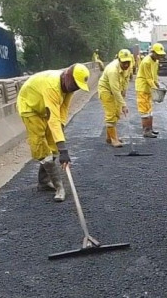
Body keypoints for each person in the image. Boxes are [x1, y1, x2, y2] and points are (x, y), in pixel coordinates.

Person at [17, 64, 90, 202]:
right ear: (68, 76)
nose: (75, 88)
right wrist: (64, 150)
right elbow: (53, 119)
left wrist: (60, 138)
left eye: (77, 86)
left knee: (53, 145)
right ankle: (59, 187)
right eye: (74, 84)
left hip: (44, 109)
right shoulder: (52, 86)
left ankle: (43, 182)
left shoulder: (69, 87)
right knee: (41, 146)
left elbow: (62, 112)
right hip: (30, 107)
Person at [97, 49, 132, 147]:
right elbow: (115, 90)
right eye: (124, 62)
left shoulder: (129, 66)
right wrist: (124, 105)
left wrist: (124, 91)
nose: (126, 65)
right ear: (119, 59)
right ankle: (114, 140)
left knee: (117, 112)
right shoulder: (113, 70)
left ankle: (109, 137)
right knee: (111, 114)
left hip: (117, 89)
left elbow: (126, 79)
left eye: (128, 62)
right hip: (106, 90)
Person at [135, 43, 166, 138]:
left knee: (149, 109)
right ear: (152, 52)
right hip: (142, 87)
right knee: (144, 110)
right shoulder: (146, 62)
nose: (159, 57)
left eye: (161, 55)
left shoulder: (156, 61)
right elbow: (148, 78)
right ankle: (146, 131)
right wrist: (156, 89)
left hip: (149, 88)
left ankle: (150, 129)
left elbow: (154, 76)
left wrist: (157, 84)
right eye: (158, 54)